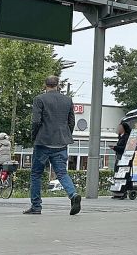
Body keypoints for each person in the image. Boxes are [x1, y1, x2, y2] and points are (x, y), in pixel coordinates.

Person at [25, 75, 81, 216]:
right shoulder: (68, 100)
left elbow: (36, 121)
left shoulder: (39, 99)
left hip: (43, 142)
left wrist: (34, 136)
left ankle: (36, 206)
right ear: (58, 85)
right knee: (62, 172)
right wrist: (66, 135)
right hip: (61, 142)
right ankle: (73, 195)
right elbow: (71, 122)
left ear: (45, 85)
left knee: (36, 174)